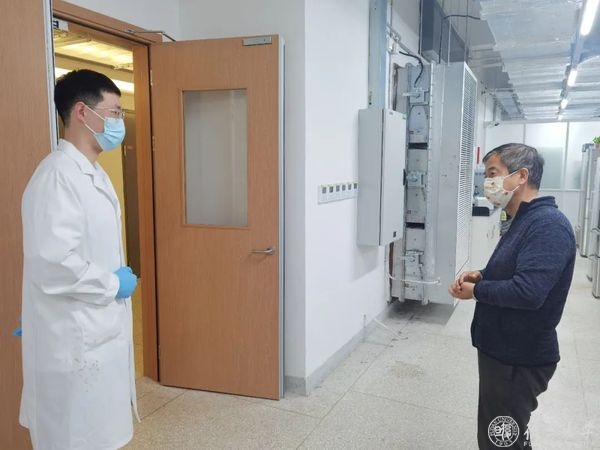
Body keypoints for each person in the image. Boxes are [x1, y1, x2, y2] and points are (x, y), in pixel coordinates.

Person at [20, 69, 139, 449]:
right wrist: (113, 283)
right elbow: (53, 263)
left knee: (98, 433)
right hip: (73, 341)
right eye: (115, 112)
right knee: (74, 437)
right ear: (83, 112)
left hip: (94, 332)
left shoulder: (92, 173)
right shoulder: (57, 176)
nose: (119, 123)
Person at [449, 143, 576, 449]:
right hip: (505, 352)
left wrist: (477, 291)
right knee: (509, 433)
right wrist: (483, 275)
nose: (487, 183)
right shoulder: (523, 219)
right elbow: (517, 271)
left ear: (521, 176)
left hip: (518, 358)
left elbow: (528, 292)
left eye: (493, 174)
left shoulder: (547, 225)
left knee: (500, 440)